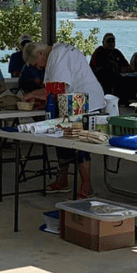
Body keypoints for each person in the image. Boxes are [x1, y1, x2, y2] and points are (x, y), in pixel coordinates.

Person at [23, 41, 105, 199]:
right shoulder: (56, 53)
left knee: (80, 144)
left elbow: (57, 88)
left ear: (40, 54)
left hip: (85, 101)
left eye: (36, 64)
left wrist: (31, 95)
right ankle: (62, 180)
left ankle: (87, 186)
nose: (38, 68)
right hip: (74, 101)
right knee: (60, 139)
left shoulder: (58, 53)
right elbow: (54, 92)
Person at [89, 32, 133, 104]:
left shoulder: (117, 52)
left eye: (113, 41)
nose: (111, 43)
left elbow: (127, 67)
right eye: (108, 41)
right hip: (101, 79)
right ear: (103, 42)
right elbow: (94, 69)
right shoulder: (98, 52)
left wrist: (120, 69)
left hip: (116, 77)